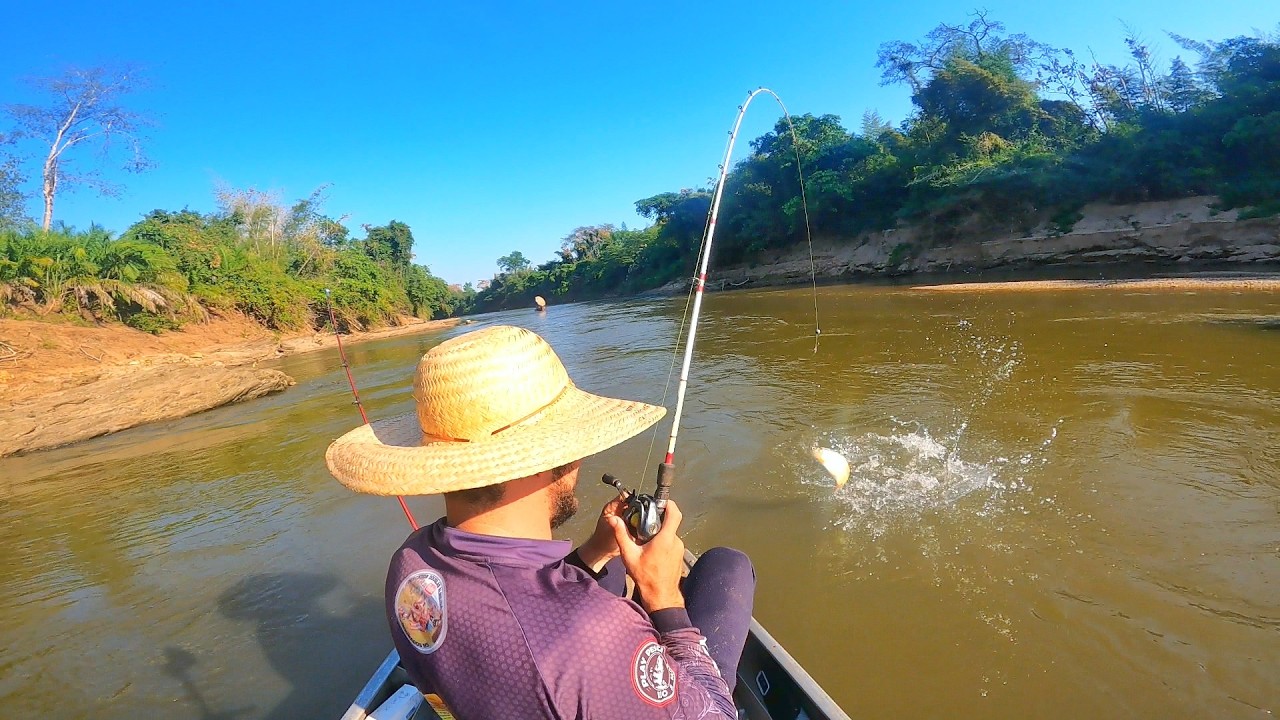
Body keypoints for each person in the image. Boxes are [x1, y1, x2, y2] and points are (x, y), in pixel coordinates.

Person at [325, 325, 755, 719]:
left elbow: (520, 598)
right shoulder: (593, 638)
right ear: (542, 459)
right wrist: (663, 598)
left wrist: (596, 550)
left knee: (618, 564)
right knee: (726, 565)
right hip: (565, 658)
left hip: (510, 681)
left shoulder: (411, 559)